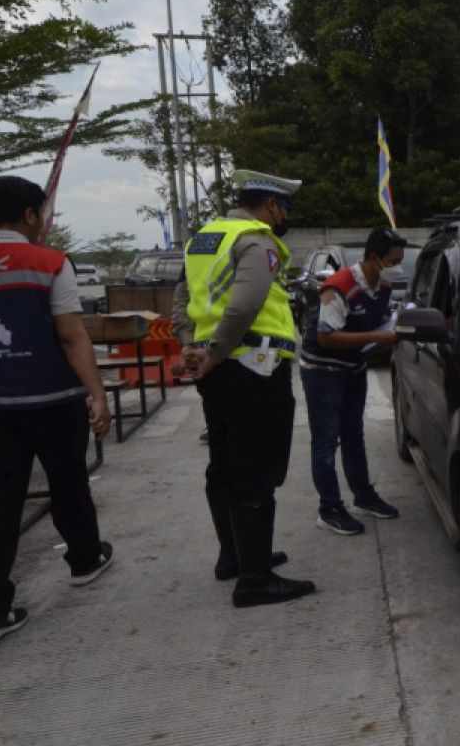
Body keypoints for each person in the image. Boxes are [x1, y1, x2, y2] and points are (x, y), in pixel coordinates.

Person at [0, 176, 114, 644]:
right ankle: (84, 559)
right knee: (67, 479)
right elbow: (72, 334)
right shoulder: (50, 262)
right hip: (51, 397)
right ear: (31, 215)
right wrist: (97, 393)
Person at [172, 169, 314, 608]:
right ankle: (255, 579)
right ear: (271, 206)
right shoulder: (257, 240)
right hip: (253, 368)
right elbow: (247, 302)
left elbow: (181, 298)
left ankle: (234, 556)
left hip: (218, 372)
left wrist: (192, 347)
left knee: (225, 464)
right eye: (285, 209)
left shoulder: (204, 238)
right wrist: (212, 352)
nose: (285, 217)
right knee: (255, 471)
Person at [299, 226, 404, 535]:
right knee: (326, 440)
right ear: (374, 257)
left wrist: (398, 327)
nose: (396, 266)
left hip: (354, 368)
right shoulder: (338, 286)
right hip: (323, 372)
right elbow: (326, 337)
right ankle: (329, 508)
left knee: (353, 435)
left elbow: (380, 319)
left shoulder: (382, 286)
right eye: (393, 259)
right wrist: (379, 336)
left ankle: (363, 495)